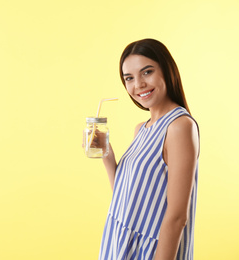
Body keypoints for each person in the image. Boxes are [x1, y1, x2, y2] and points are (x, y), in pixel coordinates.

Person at [98, 39, 200, 260]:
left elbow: (176, 216)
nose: (139, 84)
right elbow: (128, 199)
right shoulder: (141, 129)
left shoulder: (179, 126)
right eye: (129, 78)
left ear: (167, 70)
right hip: (120, 244)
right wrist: (107, 156)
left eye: (147, 72)